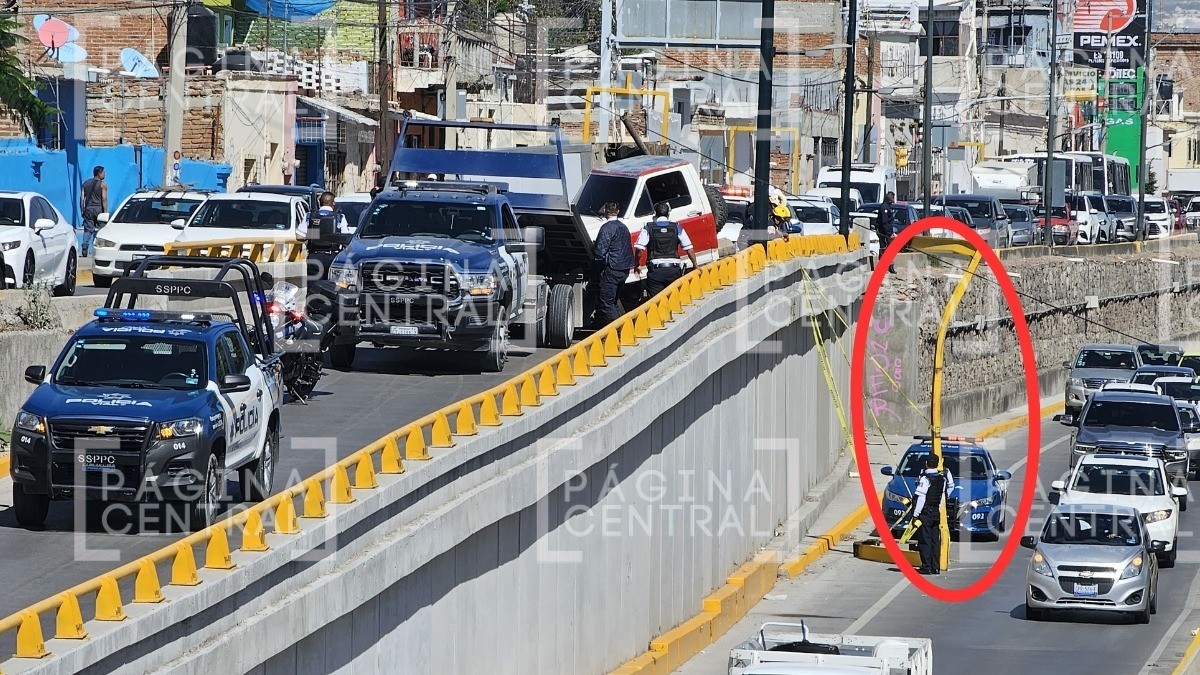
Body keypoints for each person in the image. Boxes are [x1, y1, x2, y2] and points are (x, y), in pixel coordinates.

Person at [635, 201, 698, 298]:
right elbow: (689, 249)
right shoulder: (677, 227)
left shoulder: (648, 228)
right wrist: (695, 266)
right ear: (668, 214)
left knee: (655, 303)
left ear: (655, 214)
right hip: (674, 271)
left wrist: (637, 265)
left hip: (656, 272)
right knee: (674, 300)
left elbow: (639, 249)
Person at [592, 201, 635, 325]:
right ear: (618, 212)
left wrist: (596, 268)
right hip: (624, 269)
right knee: (614, 301)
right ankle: (620, 327)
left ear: (605, 211)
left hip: (612, 268)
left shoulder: (607, 228)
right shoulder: (623, 227)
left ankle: (619, 330)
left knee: (606, 302)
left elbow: (600, 252)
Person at [912, 454, 956, 575]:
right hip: (936, 511)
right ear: (937, 464)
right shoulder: (941, 478)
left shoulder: (925, 479)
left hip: (925, 513)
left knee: (925, 540)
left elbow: (921, 497)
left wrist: (916, 514)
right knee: (934, 540)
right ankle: (935, 567)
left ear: (926, 463)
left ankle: (926, 567)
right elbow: (945, 493)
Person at [80, 165, 107, 257]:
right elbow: (104, 198)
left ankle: (85, 245)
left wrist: (82, 210)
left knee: (88, 230)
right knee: (100, 230)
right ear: (99, 174)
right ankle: (98, 248)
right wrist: (105, 212)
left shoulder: (86, 183)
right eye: (103, 172)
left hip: (88, 210)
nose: (105, 174)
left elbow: (82, 198)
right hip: (98, 209)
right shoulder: (103, 185)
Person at [876, 191, 898, 273]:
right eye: (892, 198)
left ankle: (890, 266)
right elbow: (884, 222)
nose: (892, 200)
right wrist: (889, 233)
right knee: (884, 248)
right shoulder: (884, 207)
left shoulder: (888, 207)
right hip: (884, 233)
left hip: (888, 232)